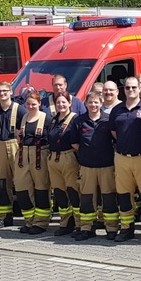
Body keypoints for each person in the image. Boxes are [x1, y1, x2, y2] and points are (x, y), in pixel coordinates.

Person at [74, 92, 118, 240]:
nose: (93, 105)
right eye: (90, 102)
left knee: (109, 197)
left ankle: (111, 228)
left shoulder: (108, 120)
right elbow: (75, 143)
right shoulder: (79, 121)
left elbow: (115, 139)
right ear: (86, 104)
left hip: (106, 165)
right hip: (87, 166)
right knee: (87, 198)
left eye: (96, 102)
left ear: (101, 103)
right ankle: (87, 228)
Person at [110, 77, 141, 241]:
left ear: (139, 88)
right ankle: (126, 229)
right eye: (127, 88)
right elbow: (114, 132)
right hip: (122, 158)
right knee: (124, 195)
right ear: (123, 89)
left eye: (134, 87)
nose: (130, 90)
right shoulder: (116, 110)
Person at [12, 92, 52, 234]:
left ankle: (41, 223)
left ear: (39, 104)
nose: (30, 106)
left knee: (41, 190)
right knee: (22, 190)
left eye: (33, 104)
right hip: (23, 156)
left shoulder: (47, 119)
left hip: (39, 156)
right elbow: (18, 135)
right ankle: (29, 221)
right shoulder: (22, 119)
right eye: (28, 104)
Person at [46, 93, 81, 236]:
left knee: (73, 191)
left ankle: (79, 224)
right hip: (54, 158)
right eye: (58, 102)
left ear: (69, 102)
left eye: (64, 102)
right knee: (60, 193)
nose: (61, 105)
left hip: (69, 157)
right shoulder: (54, 120)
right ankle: (65, 223)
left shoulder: (75, 119)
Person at [0, 82, 22, 229]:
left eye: (4, 91)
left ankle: (29, 216)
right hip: (0, 146)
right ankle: (4, 217)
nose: (2, 93)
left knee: (21, 181)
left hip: (16, 145)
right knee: (2, 183)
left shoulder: (20, 110)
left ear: (11, 92)